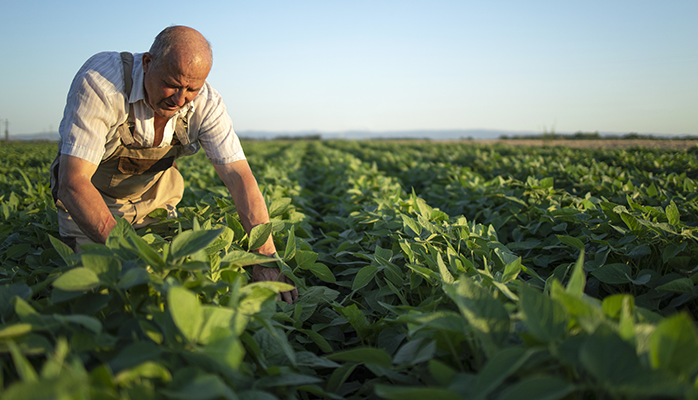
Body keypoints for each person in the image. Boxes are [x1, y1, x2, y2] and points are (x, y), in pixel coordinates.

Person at [50, 25, 297, 304]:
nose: (180, 99)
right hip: (92, 204)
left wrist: (264, 259)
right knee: (102, 294)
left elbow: (239, 178)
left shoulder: (207, 103)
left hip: (155, 201)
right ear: (147, 63)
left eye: (192, 88)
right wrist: (134, 258)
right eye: (172, 84)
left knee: (179, 290)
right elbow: (73, 184)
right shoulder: (102, 83)